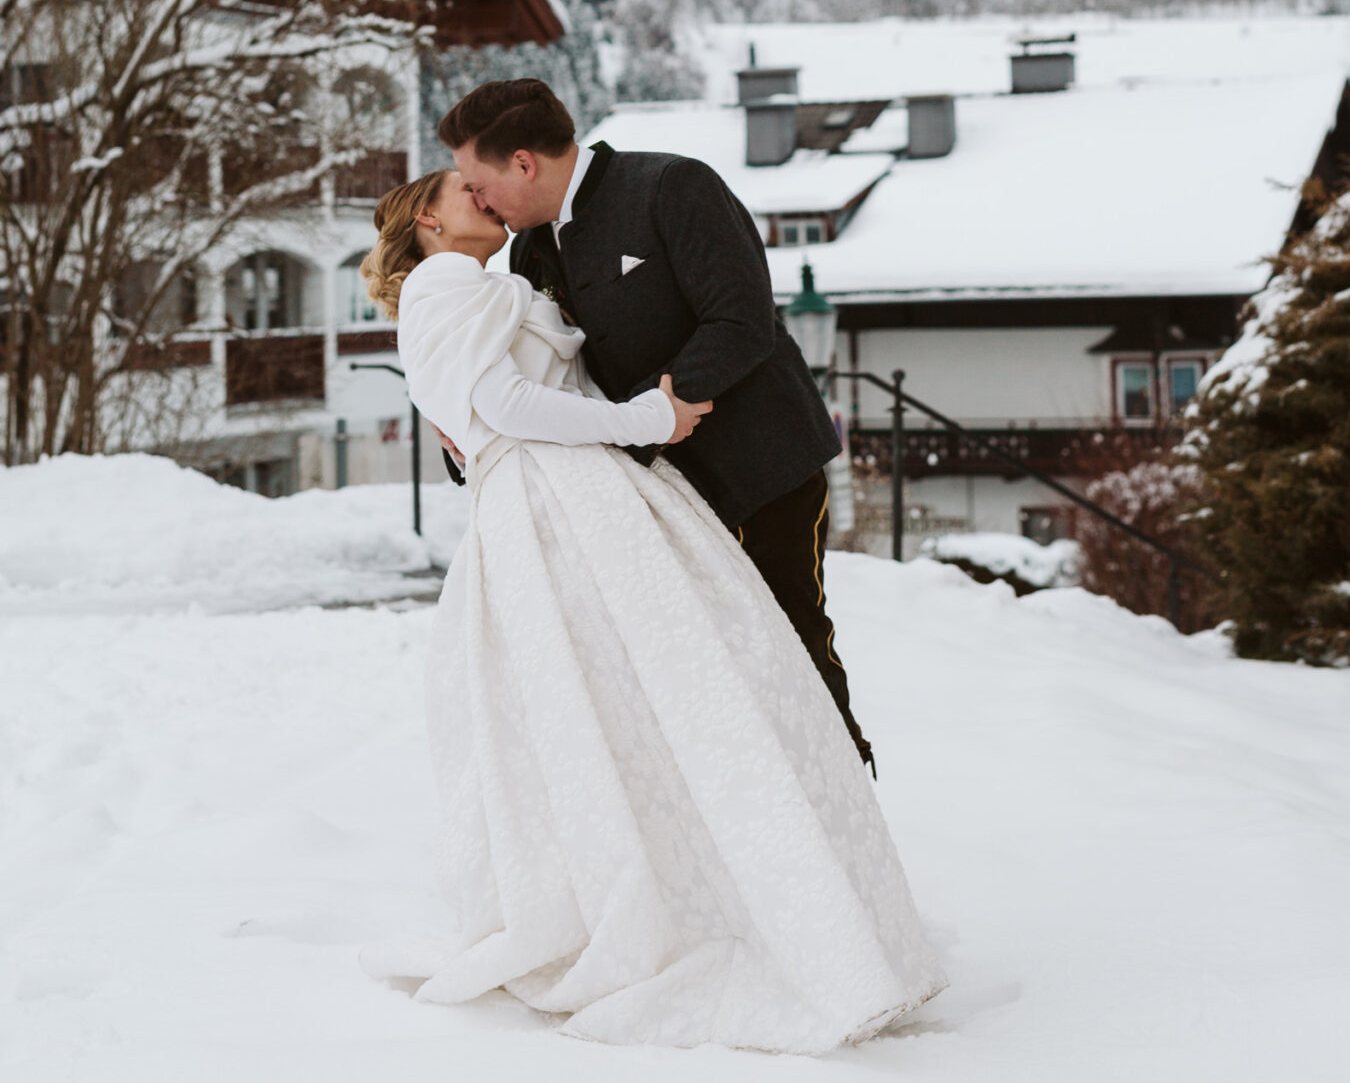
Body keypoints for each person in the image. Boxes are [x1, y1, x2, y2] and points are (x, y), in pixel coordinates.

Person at [358, 170, 945, 1053]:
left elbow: (499, 397)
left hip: (588, 490)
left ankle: (718, 893)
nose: (480, 192)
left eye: (483, 178)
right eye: (459, 188)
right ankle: (745, 899)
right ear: (426, 222)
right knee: (684, 682)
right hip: (559, 499)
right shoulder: (445, 280)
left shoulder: (500, 272)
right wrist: (645, 420)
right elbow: (499, 405)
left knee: (646, 697)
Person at [437, 77, 875, 765]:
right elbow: (540, 381)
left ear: (523, 163)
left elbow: (740, 321)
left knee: (790, 642)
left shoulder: (671, 186)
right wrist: (469, 434)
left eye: (478, 183)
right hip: (652, 500)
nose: (477, 200)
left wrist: (641, 416)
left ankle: (840, 787)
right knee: (700, 666)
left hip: (762, 473)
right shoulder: (527, 253)